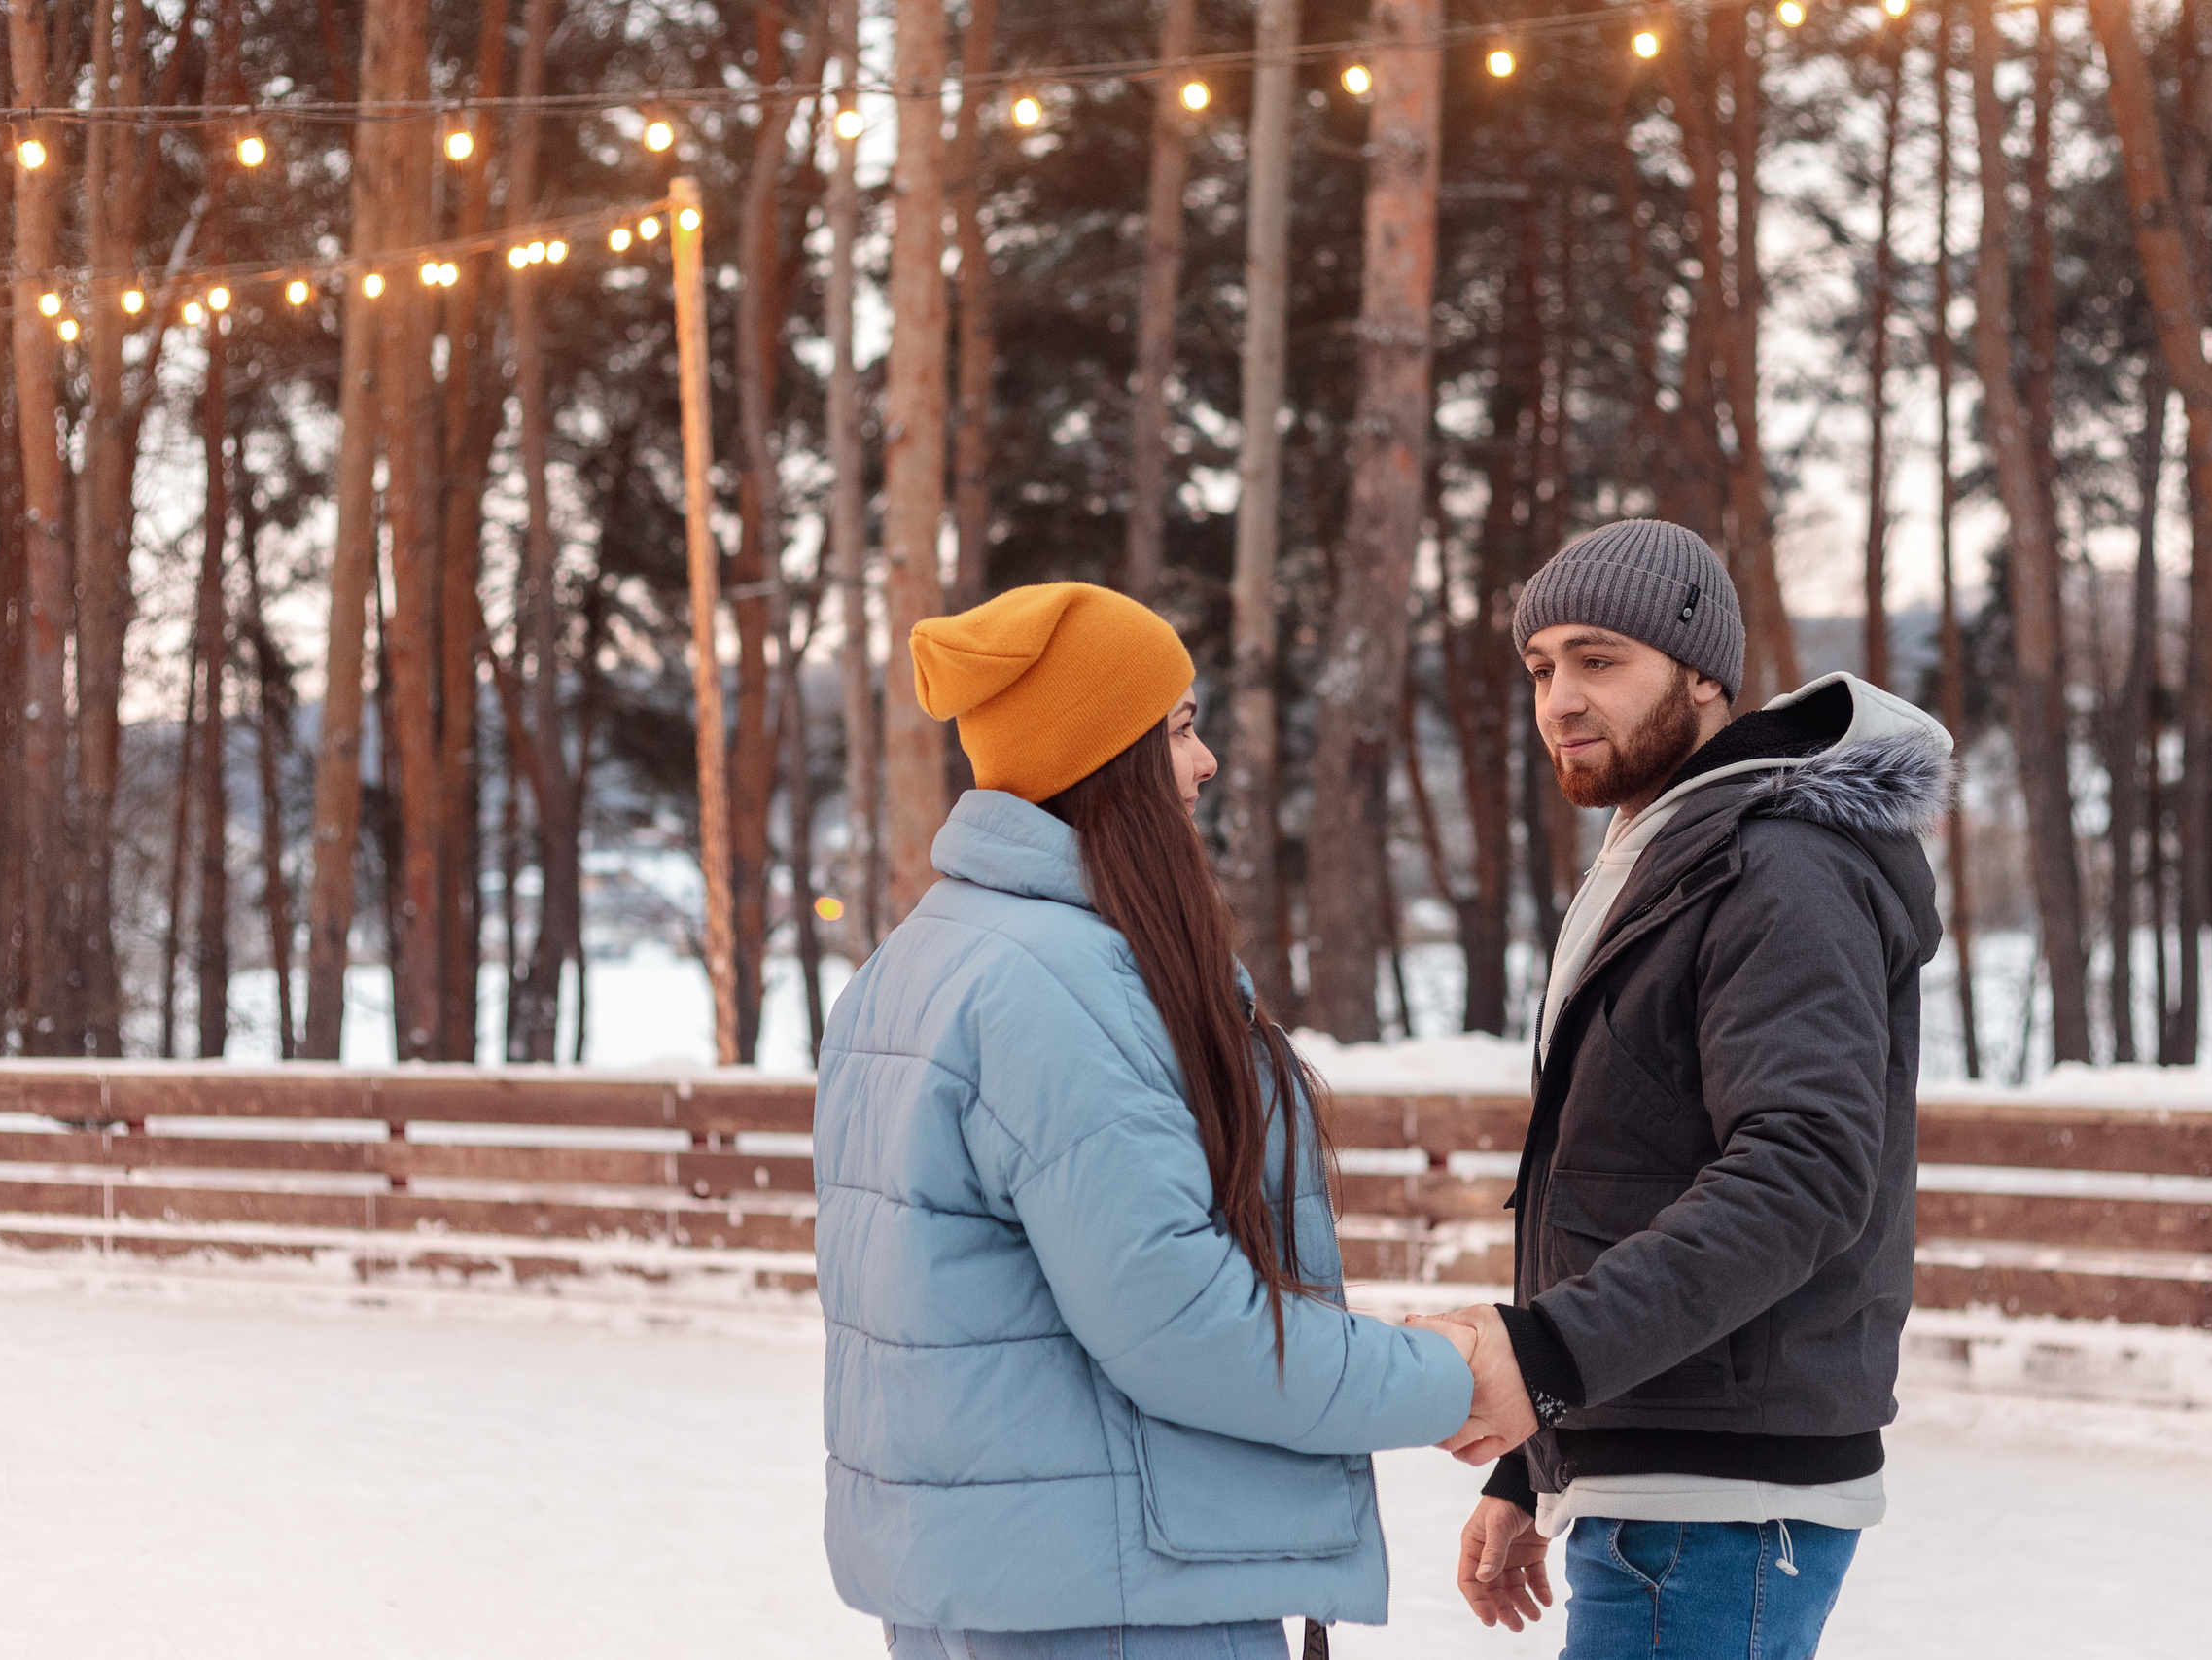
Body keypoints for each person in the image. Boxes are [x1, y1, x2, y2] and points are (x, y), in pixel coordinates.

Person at [814, 582, 1484, 1660]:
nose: (1205, 760)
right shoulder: (1056, 986)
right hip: (1120, 1603)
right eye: (1177, 729)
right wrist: (1454, 1377)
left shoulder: (924, 961)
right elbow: (1182, 1329)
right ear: (1105, 754)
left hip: (994, 1587)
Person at [1407, 519, 1951, 1659]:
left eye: (1598, 661)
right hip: (1664, 1467)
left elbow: (1800, 1173)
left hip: (1720, 1497)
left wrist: (1545, 1359)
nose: (1559, 697)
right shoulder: (1667, 855)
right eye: (1542, 667)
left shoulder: (1776, 863)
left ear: (1702, 671)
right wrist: (1536, 1454)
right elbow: (1635, 1171)